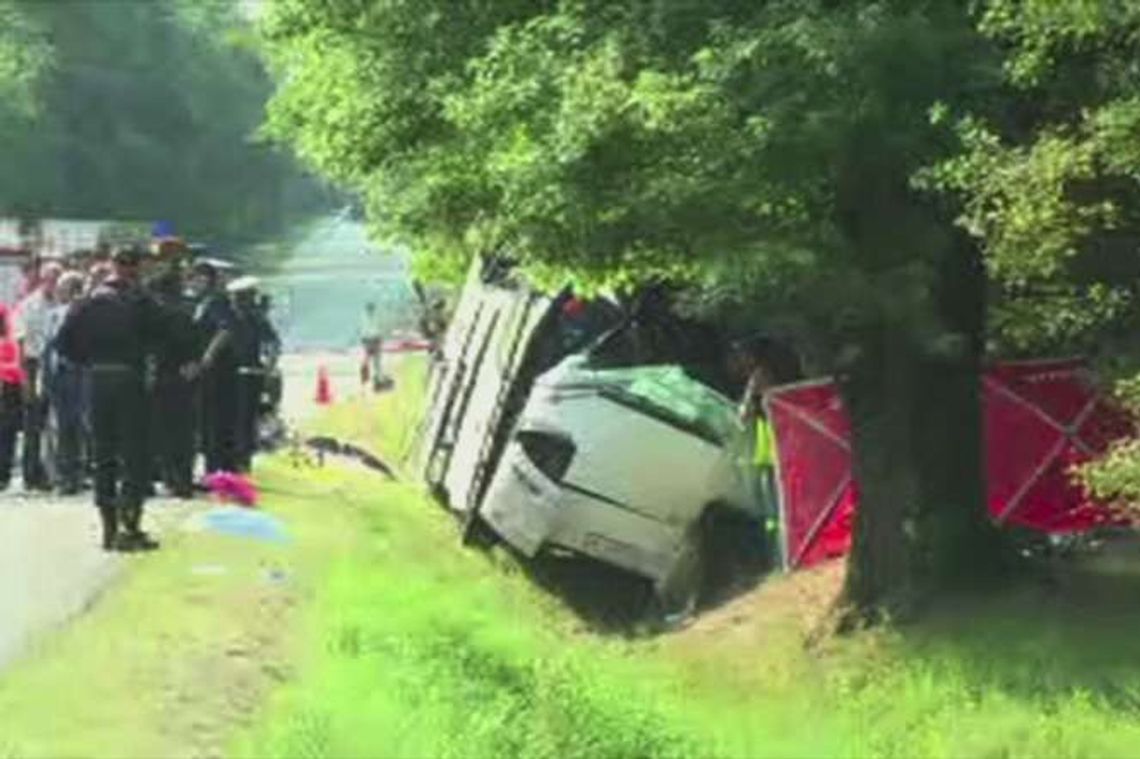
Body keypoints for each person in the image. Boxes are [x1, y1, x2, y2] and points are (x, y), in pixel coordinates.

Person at [56, 246, 164, 551]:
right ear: (136, 268)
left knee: (103, 455)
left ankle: (109, 528)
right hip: (130, 380)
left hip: (97, 380)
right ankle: (130, 526)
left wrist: (88, 362)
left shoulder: (87, 301)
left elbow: (64, 344)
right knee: (134, 455)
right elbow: (165, 335)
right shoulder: (142, 301)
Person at [148, 268, 199, 497]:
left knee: (164, 431)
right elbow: (194, 346)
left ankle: (171, 477)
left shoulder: (156, 316)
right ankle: (184, 478)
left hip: (162, 375)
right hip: (184, 375)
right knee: (185, 431)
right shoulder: (187, 314)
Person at [185, 259, 239, 474]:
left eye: (197, 278)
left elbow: (224, 331)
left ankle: (218, 468)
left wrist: (208, 357)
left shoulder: (216, 302)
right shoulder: (202, 302)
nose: (193, 283)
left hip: (218, 370)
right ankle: (214, 467)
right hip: (209, 371)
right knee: (207, 420)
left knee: (215, 420)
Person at [14, 260, 62, 491]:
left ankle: (52, 471)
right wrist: (25, 378)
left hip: (58, 364)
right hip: (34, 364)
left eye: (58, 278)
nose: (55, 283)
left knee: (56, 423)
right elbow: (20, 344)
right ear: (43, 279)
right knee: (33, 422)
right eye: (51, 278)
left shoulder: (63, 305)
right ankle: (31, 473)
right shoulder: (28, 306)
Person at [227, 276, 279, 472]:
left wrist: (269, 366)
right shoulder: (229, 317)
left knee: (246, 417)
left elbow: (272, 343)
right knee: (233, 417)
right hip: (229, 373)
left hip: (250, 372)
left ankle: (243, 456)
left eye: (239, 298)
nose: (236, 302)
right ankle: (235, 455)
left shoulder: (256, 318)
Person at [42, 271, 86, 494]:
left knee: (77, 425)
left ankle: (76, 475)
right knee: (59, 427)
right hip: (57, 376)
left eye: (64, 287)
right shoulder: (52, 314)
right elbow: (47, 348)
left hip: (77, 375)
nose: (59, 291)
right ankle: (63, 474)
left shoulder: (83, 313)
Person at [0, 304, 25, 491]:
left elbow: (17, 363)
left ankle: (3, 473)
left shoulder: (9, 341)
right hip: (9, 384)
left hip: (8, 387)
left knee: (7, 432)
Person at [359, 300, 384, 391]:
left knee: (375, 362)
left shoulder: (371, 318)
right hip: (371, 339)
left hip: (373, 339)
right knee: (370, 361)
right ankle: (368, 378)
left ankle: (376, 380)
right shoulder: (367, 318)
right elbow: (366, 330)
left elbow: (376, 329)